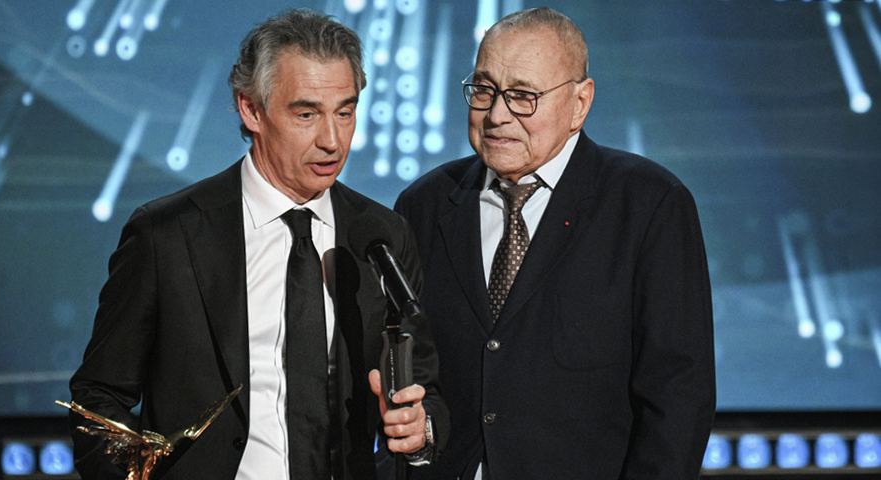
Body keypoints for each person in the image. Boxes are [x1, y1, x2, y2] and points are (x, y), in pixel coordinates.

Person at [69, 9, 447, 480]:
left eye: (345, 112)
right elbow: (99, 400)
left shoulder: (381, 237)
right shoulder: (167, 235)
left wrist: (420, 427)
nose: (332, 140)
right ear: (251, 110)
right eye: (307, 114)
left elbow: (426, 391)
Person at [394, 7, 715, 479]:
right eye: (483, 90)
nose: (496, 115)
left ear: (579, 103)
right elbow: (410, 368)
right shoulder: (424, 205)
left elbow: (678, 394)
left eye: (523, 96)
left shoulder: (648, 204)